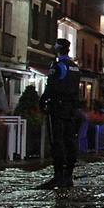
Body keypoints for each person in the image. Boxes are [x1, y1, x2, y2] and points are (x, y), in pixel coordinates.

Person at [37, 38, 81, 189]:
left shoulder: (58, 66)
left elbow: (51, 86)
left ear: (58, 49)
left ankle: (58, 176)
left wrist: (42, 101)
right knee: (70, 141)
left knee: (57, 141)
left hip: (58, 107)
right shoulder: (75, 67)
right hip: (71, 109)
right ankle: (68, 176)